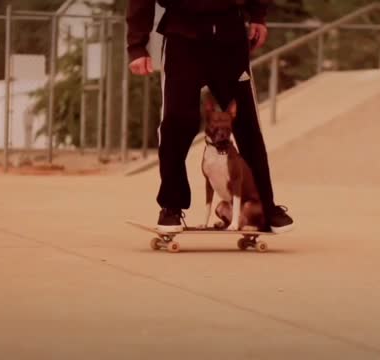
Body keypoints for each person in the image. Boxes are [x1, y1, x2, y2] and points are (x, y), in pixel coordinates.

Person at [126, 0, 294, 233]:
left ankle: (265, 205)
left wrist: (257, 15)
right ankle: (171, 207)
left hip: (230, 36)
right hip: (182, 36)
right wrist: (136, 45)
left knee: (246, 122)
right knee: (176, 121)